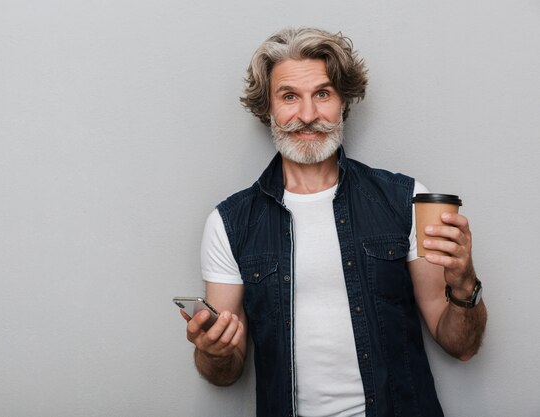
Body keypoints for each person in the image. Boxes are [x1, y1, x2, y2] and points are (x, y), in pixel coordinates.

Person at [181, 27, 487, 417]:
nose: (307, 115)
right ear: (268, 108)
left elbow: (460, 345)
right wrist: (212, 351)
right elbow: (226, 372)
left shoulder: (404, 200)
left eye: (322, 94)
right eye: (289, 96)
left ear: (343, 102)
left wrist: (464, 282)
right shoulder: (230, 223)